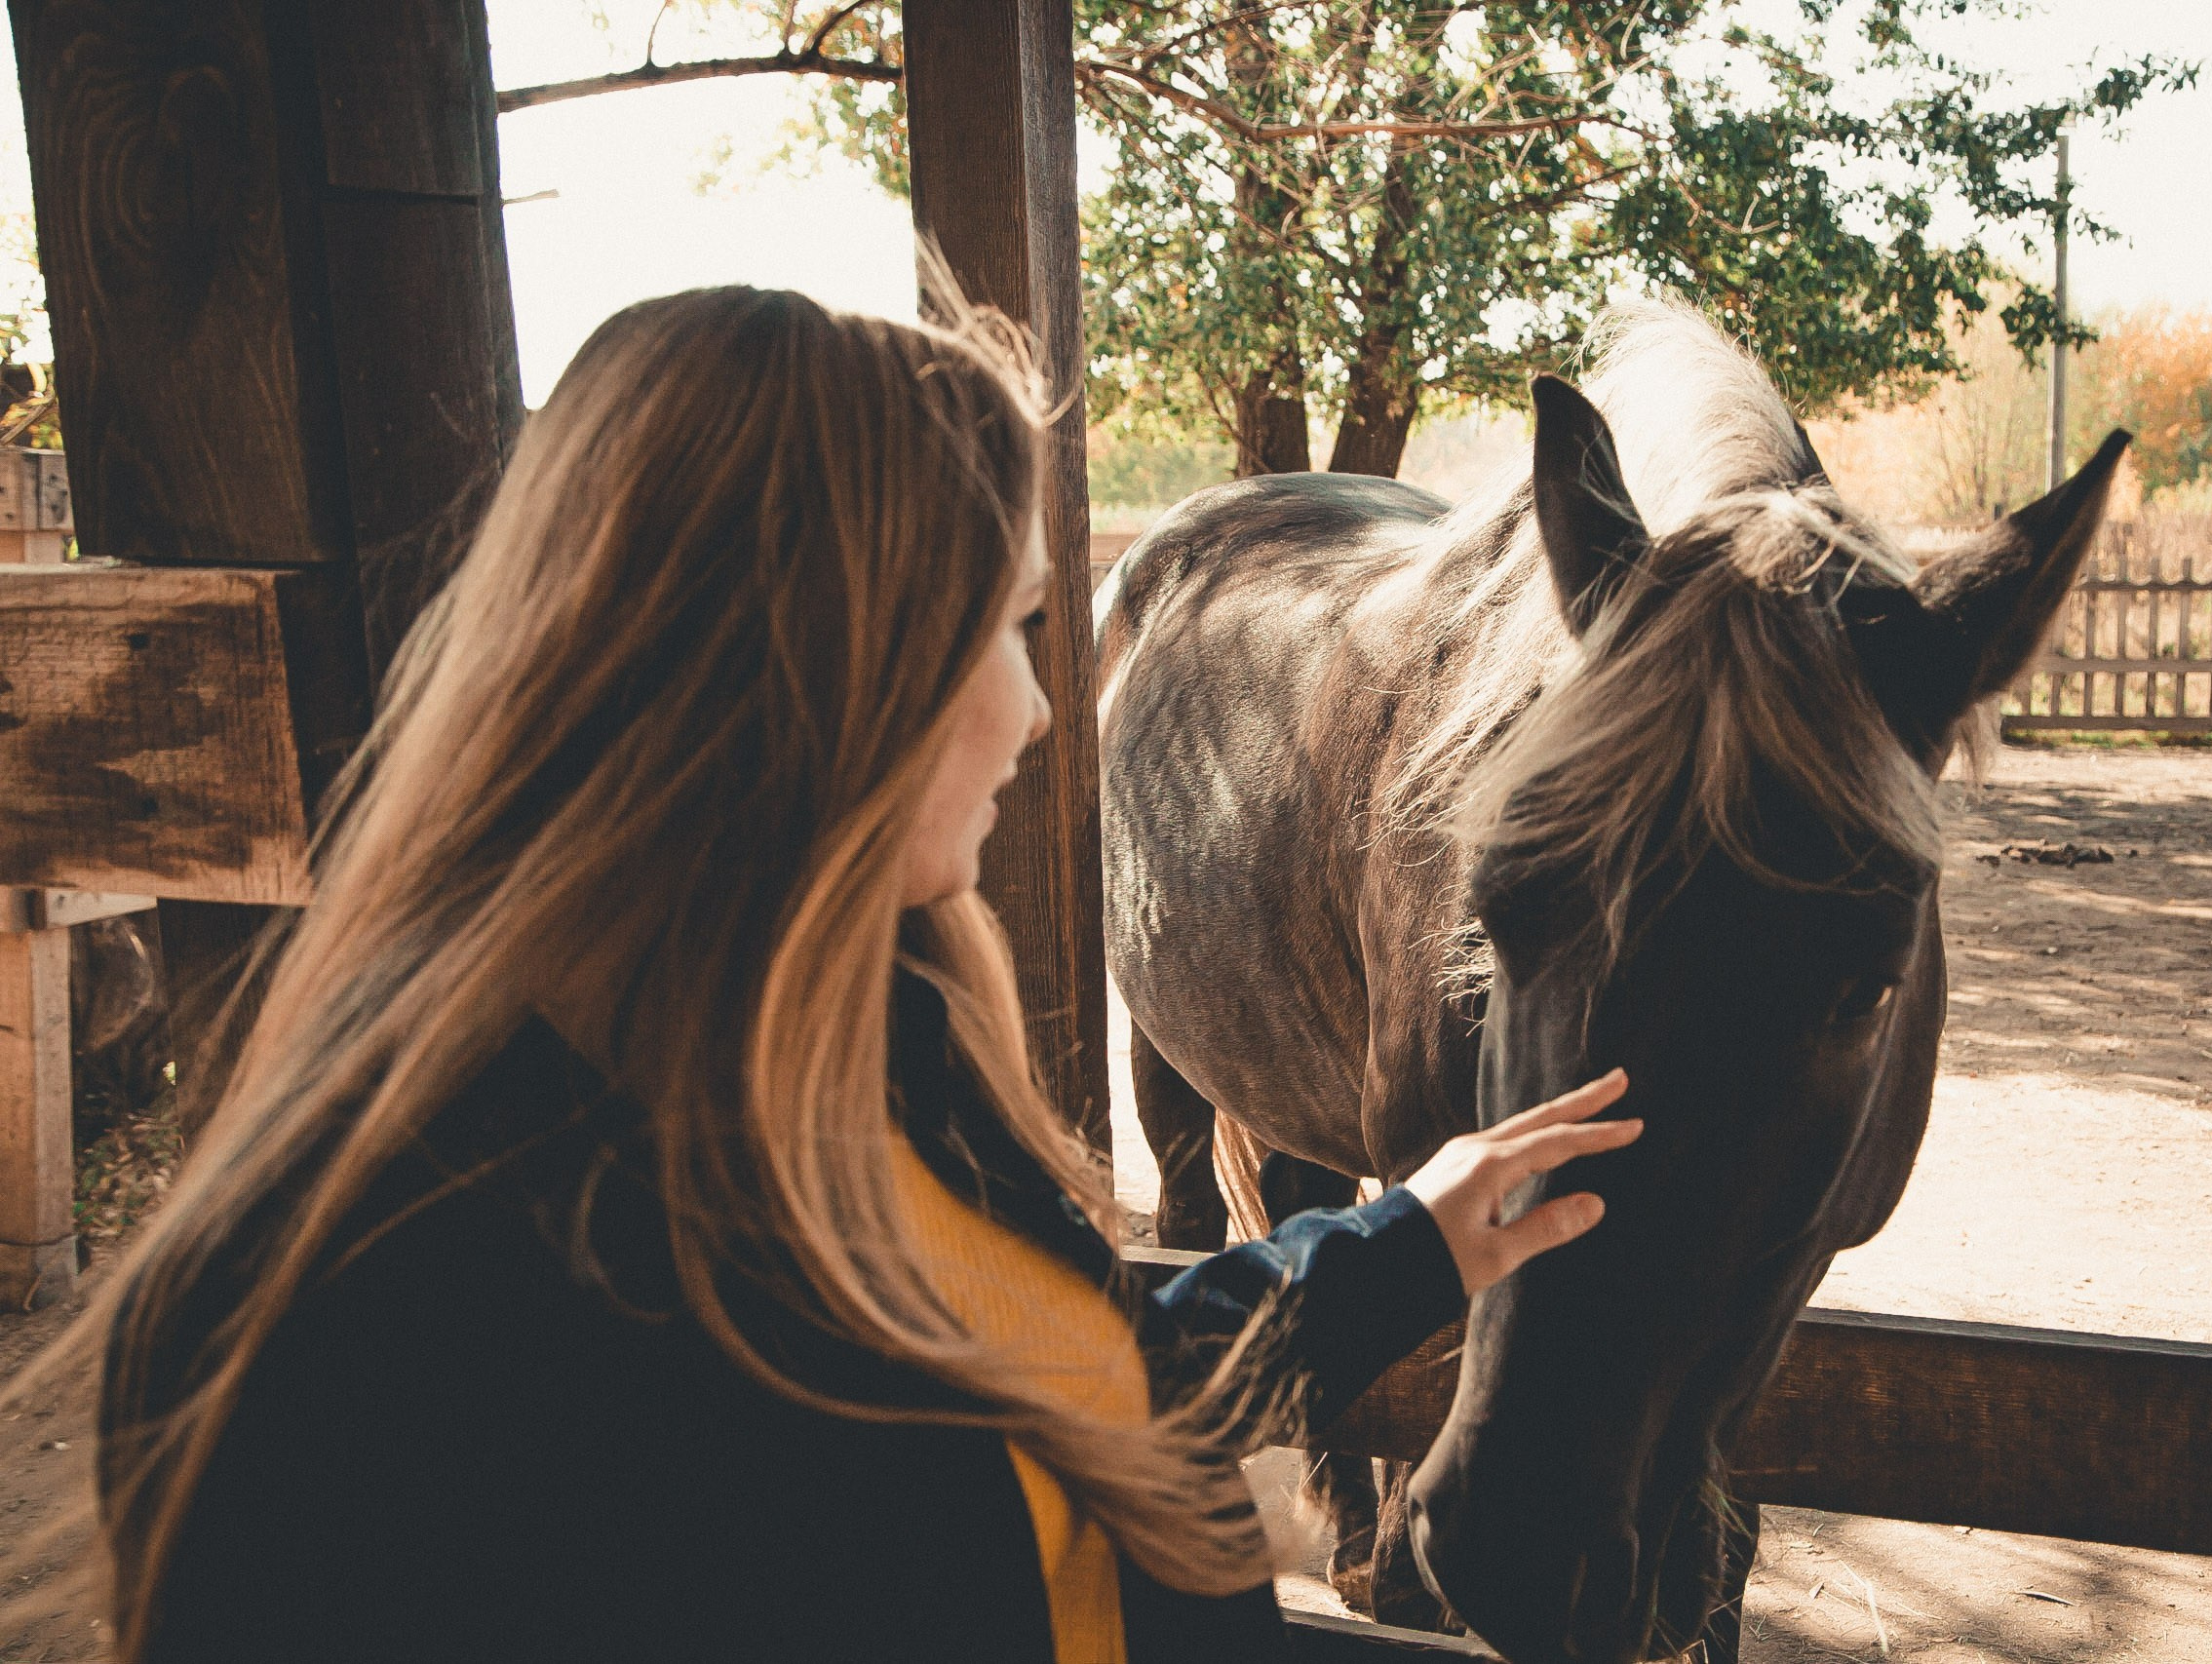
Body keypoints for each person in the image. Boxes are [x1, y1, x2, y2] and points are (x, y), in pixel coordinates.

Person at [90, 287, 1639, 1664]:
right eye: (1006, 630)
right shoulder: (377, 1315)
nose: (1042, 717)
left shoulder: (863, 1051)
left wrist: (1396, 1246)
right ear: (814, 663)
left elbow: (1049, 1407)